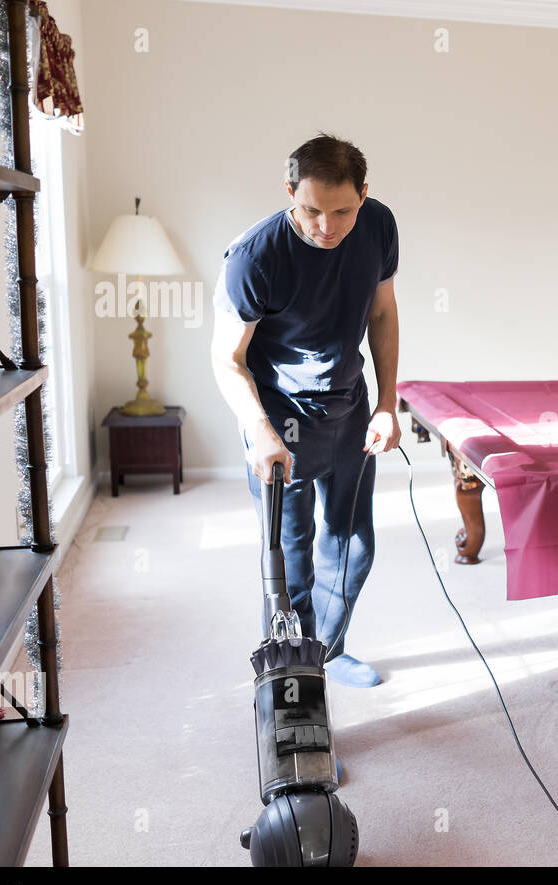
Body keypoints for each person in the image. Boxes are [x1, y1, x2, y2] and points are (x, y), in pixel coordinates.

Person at [210, 132, 401, 689]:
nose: (326, 225)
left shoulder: (379, 225)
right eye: (311, 209)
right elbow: (227, 359)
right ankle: (296, 702)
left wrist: (387, 403)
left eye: (342, 210)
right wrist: (261, 432)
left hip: (350, 405)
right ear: (289, 191)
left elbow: (383, 313)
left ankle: (323, 652)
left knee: (353, 545)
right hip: (279, 416)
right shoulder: (254, 256)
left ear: (364, 194)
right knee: (289, 566)